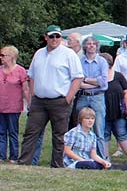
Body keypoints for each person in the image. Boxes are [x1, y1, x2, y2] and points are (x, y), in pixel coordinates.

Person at [18, 25, 84, 168]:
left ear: (61, 38)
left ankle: (57, 164)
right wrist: (33, 96)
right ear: (46, 37)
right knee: (31, 132)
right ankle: (24, 162)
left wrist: (68, 98)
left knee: (59, 135)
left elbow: (78, 78)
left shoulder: (68, 54)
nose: (55, 39)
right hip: (39, 101)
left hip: (59, 100)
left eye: (57, 36)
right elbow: (32, 76)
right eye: (52, 36)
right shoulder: (39, 53)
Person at [73, 37, 108, 153]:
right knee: (79, 127)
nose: (91, 46)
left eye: (93, 44)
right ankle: (80, 154)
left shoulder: (102, 62)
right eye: (88, 44)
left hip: (98, 98)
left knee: (99, 129)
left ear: (97, 46)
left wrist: (86, 79)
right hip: (82, 97)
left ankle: (102, 158)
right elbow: (78, 83)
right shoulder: (79, 61)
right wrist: (95, 82)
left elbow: (103, 82)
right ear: (85, 46)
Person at [100, 52, 127, 159]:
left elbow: (126, 92)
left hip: (118, 110)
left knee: (121, 133)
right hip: (103, 110)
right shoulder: (97, 78)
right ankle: (105, 158)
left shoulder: (118, 76)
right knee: (104, 134)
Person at [0, 45, 30, 162]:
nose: (1, 58)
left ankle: (14, 156)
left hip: (13, 107)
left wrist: (29, 104)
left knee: (13, 132)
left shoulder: (20, 71)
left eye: (3, 55)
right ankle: (1, 156)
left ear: (11, 57)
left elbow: (25, 89)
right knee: (1, 132)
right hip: (0, 106)